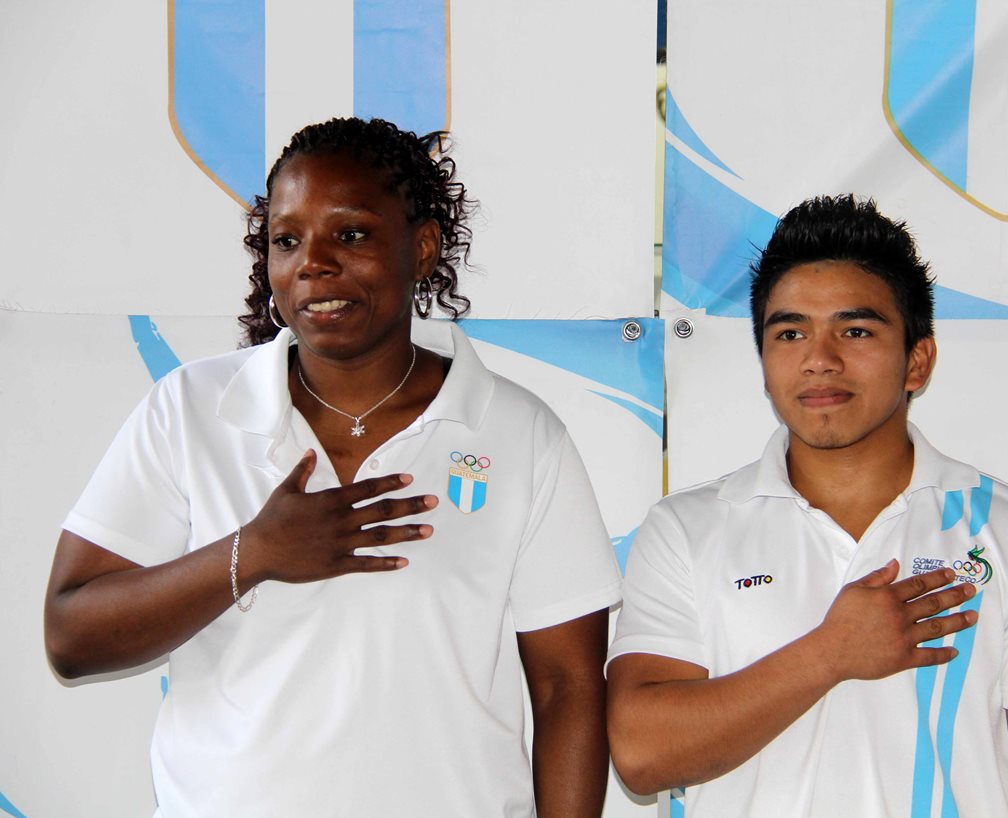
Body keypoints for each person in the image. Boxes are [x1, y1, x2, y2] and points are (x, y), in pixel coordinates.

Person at [44, 117, 621, 818]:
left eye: (350, 234)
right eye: (286, 240)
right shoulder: (190, 410)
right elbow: (71, 635)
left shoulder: (523, 435)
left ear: (424, 247)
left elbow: (568, 690)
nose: (312, 262)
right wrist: (249, 554)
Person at [607, 195, 1008, 817]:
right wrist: (831, 654)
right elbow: (641, 753)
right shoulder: (687, 528)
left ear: (918, 361)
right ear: (764, 365)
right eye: (790, 333)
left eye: (855, 331)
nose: (820, 359)